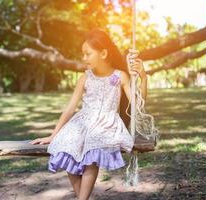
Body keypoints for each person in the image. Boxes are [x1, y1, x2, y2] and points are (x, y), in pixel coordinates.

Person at [29, 29, 148, 200]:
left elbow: (138, 105)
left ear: (104, 53)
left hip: (106, 123)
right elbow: (70, 108)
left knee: (93, 147)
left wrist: (143, 77)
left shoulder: (120, 76)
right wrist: (53, 135)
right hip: (83, 121)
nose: (83, 58)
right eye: (82, 54)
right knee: (66, 144)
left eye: (87, 54)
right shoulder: (85, 78)